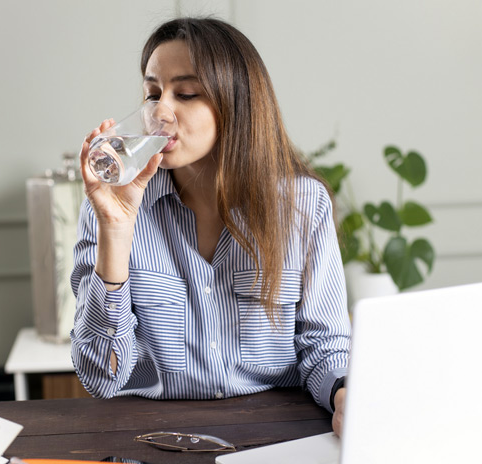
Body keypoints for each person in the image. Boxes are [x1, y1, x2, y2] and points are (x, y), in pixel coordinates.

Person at [70, 17, 351, 435]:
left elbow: (324, 347)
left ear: (236, 104)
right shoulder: (111, 207)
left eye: (185, 93)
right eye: (152, 93)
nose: (159, 112)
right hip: (156, 438)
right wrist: (115, 230)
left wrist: (344, 397)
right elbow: (100, 377)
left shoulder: (302, 205)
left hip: (275, 435)